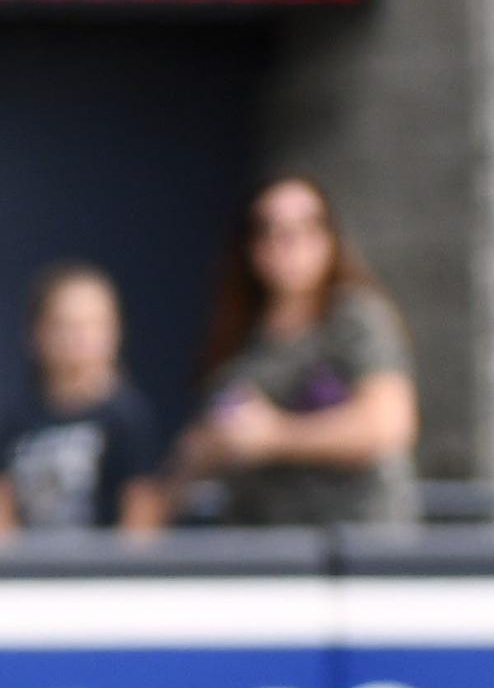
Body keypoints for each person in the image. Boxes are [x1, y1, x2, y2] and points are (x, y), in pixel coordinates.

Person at [167, 175, 419, 528]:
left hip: (349, 547)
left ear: (330, 239)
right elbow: (200, 444)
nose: (288, 245)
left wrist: (276, 435)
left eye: (305, 228)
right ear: (252, 246)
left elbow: (387, 423)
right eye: (271, 230)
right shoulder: (241, 333)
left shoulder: (354, 318)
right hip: (259, 542)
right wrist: (210, 448)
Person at [0, 263, 167, 540]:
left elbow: (140, 516)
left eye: (92, 325)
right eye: (64, 325)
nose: (78, 338)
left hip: (102, 576)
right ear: (36, 332)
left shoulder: (126, 418)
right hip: (28, 575)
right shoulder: (18, 418)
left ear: (115, 331)